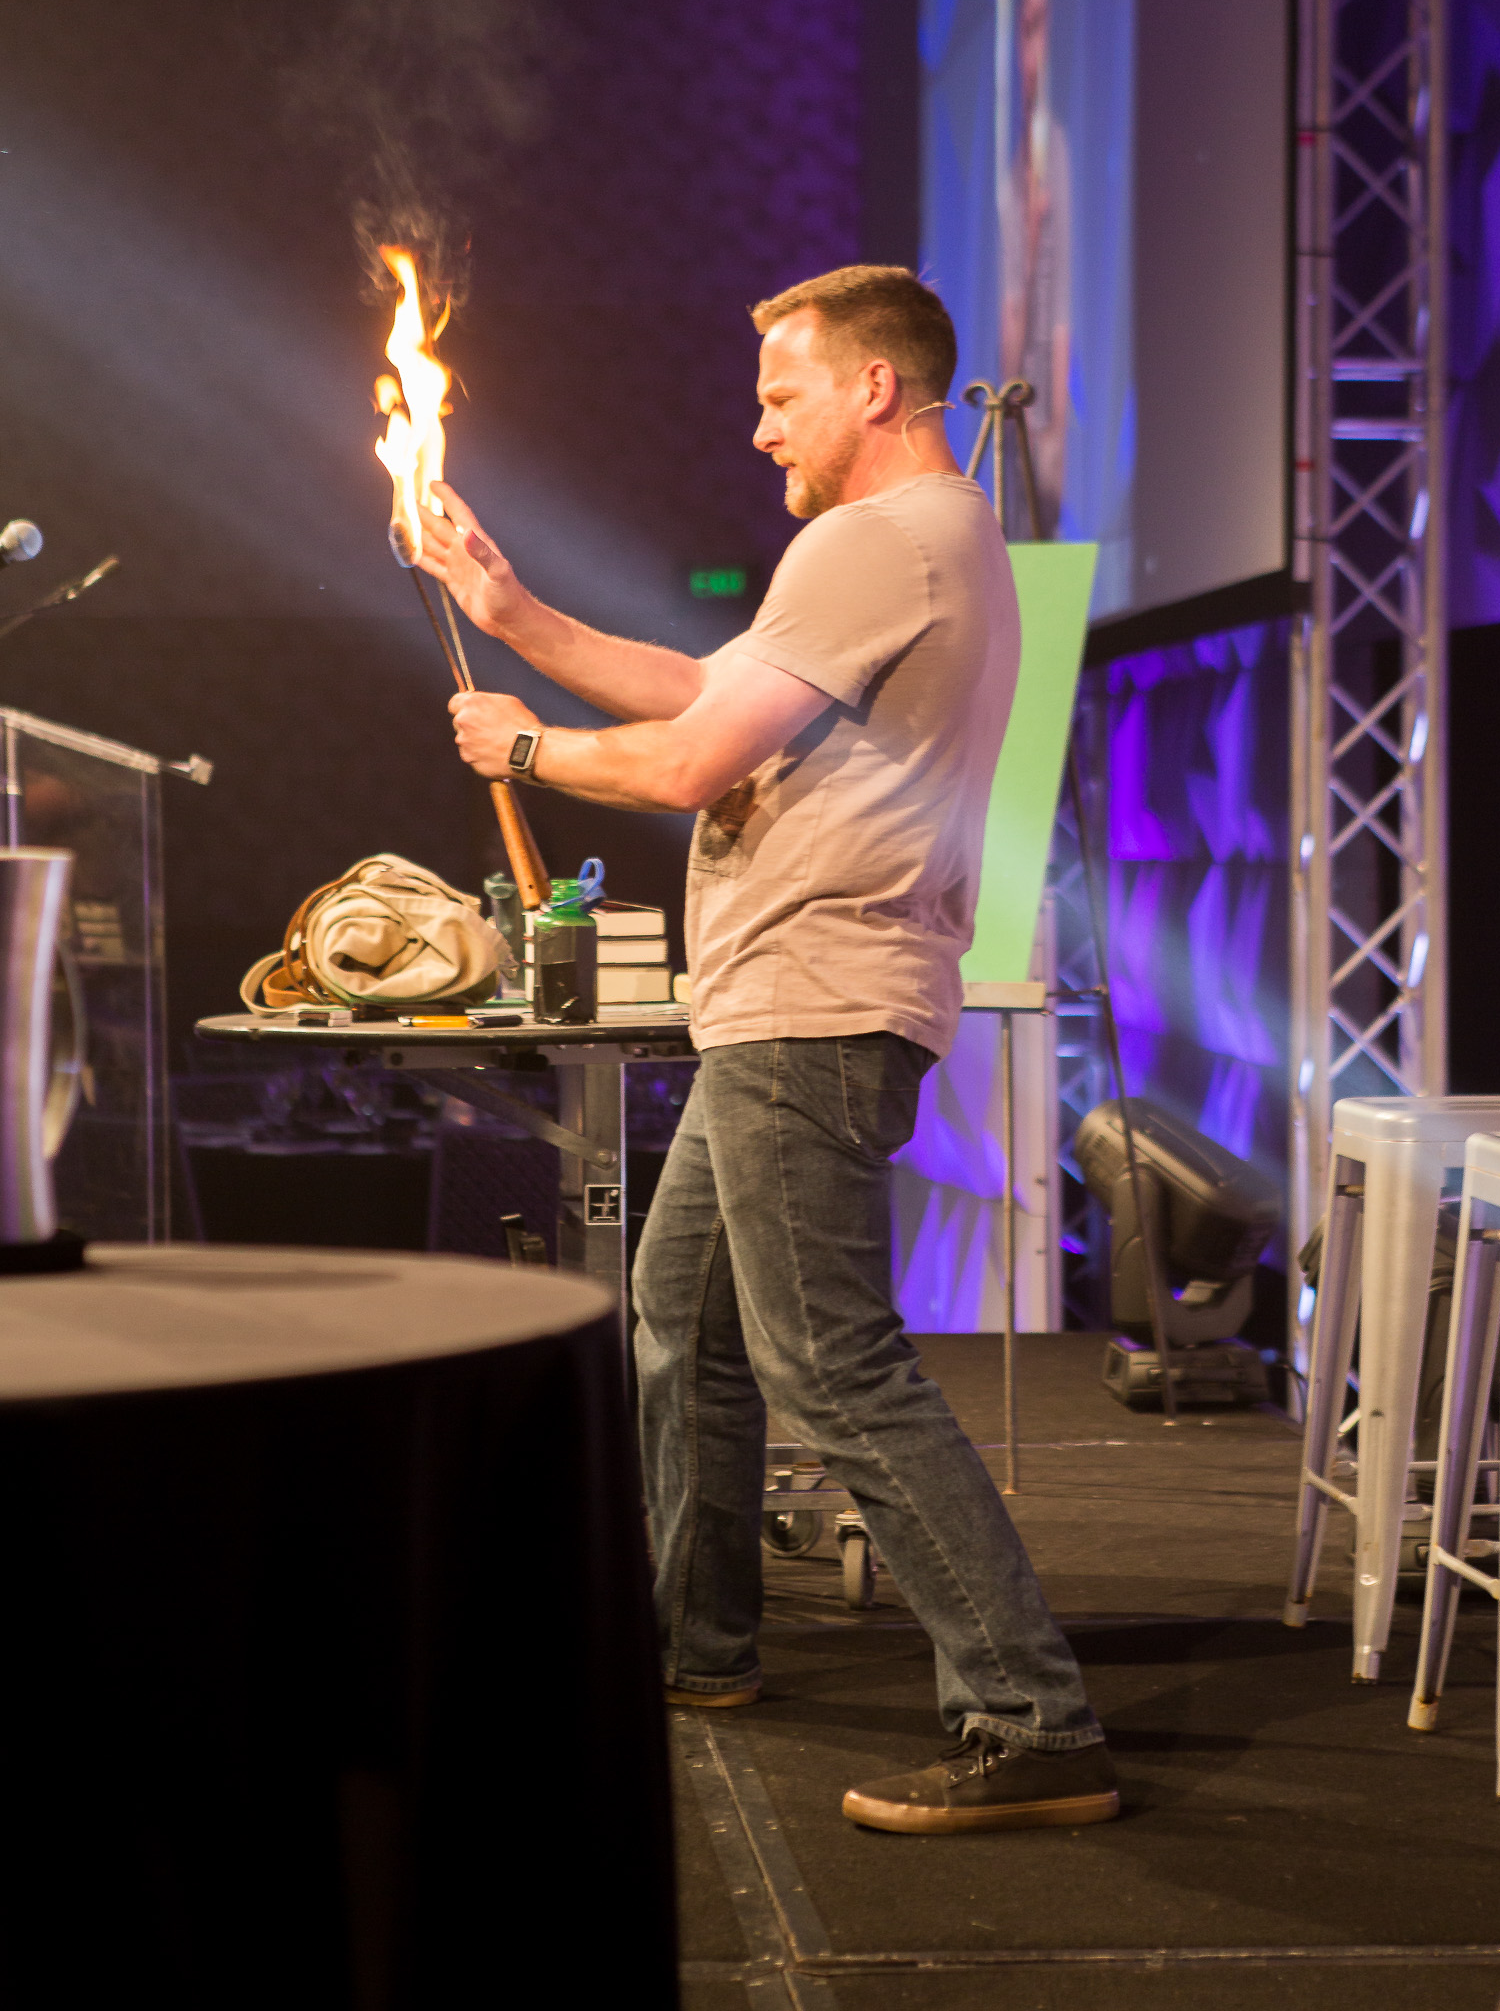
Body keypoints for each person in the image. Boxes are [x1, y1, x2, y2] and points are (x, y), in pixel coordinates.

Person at [417, 264, 1117, 1835]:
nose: (759, 429)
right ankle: (695, 1642)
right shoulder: (920, 542)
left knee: (830, 1363)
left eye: (781, 395)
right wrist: (512, 614)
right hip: (787, 1005)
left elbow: (685, 762)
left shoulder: (878, 537)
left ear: (876, 387)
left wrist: (524, 744)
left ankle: (1032, 1717)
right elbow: (704, 691)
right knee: (683, 1316)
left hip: (814, 1003)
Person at [998, 0, 1072, 538]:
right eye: (1024, 28)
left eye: (1043, 25)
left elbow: (1061, 323)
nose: (1032, 56)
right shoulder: (1012, 169)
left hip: (1048, 466)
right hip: (1012, 460)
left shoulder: (1065, 164)